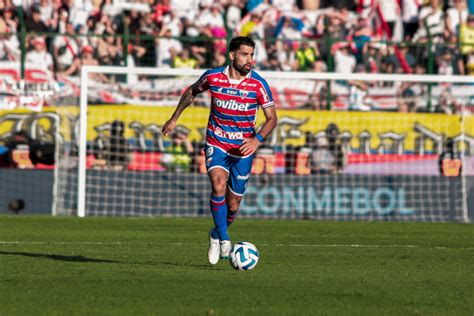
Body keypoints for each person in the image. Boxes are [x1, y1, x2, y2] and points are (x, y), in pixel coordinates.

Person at [162, 36, 278, 265]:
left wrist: (257, 139)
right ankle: (225, 239)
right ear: (232, 55)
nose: (250, 60)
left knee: (233, 205)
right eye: (245, 54)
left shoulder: (258, 83)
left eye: (252, 55)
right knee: (217, 183)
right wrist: (174, 118)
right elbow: (191, 91)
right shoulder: (213, 76)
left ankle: (215, 233)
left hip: (243, 150)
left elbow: (272, 119)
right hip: (217, 142)